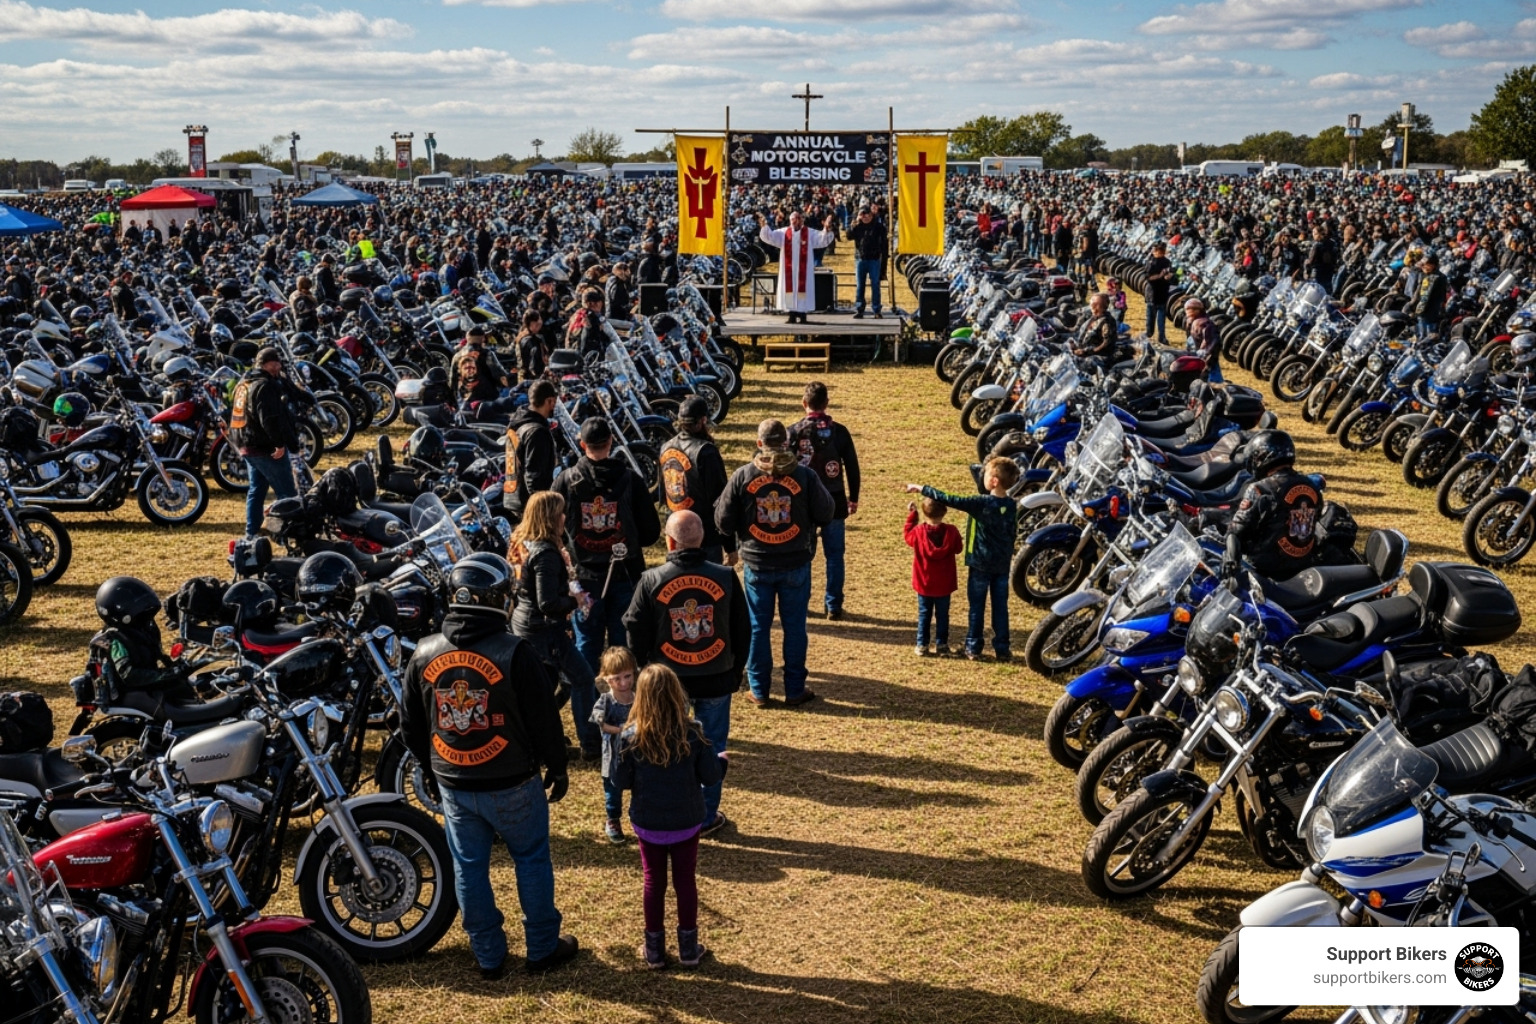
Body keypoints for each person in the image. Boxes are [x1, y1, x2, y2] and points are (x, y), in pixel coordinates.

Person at [399, 553, 578, 978]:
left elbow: (410, 725)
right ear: (500, 599)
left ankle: (488, 956)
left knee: (470, 867)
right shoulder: (516, 652)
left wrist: (432, 766)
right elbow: (544, 720)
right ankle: (541, 948)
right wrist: (558, 766)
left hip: (454, 780)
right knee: (531, 858)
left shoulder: (423, 652)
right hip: (513, 780)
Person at [623, 510, 747, 836]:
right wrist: (736, 670)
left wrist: (642, 673)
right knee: (714, 744)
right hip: (716, 677)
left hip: (666, 683)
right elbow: (743, 629)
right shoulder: (724, 576)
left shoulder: (651, 579)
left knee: (663, 742)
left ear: (670, 540)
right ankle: (704, 816)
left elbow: (634, 628)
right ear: (702, 538)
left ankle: (673, 811)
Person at [612, 664, 726, 970]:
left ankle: (654, 951)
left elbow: (619, 781)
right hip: (687, 821)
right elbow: (711, 776)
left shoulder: (629, 737)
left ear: (641, 697)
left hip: (648, 823)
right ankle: (689, 949)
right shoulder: (693, 733)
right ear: (677, 695)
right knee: (685, 882)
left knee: (654, 883)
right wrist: (720, 762)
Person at [715, 419, 834, 707]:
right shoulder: (804, 476)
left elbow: (722, 520)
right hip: (795, 562)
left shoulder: (743, 476)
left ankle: (759, 689)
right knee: (794, 627)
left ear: (759, 444)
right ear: (787, 443)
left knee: (758, 627)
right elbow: (827, 512)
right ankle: (794, 689)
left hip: (757, 564)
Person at [551, 417, 661, 673]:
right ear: (610, 442)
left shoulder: (565, 482)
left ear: (581, 443)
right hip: (624, 574)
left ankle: (587, 704)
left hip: (583, 579)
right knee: (624, 646)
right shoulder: (631, 480)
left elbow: (548, 528)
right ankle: (625, 702)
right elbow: (650, 532)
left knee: (586, 645)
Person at [510, 491, 602, 759]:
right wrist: (575, 601)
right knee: (582, 678)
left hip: (525, 623)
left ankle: (540, 734)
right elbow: (548, 603)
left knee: (550, 685)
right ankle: (591, 745)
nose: (565, 517)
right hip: (544, 630)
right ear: (550, 517)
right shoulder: (546, 554)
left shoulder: (521, 540)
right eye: (560, 512)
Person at [905, 455, 1020, 661]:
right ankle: (1002, 649)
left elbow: (950, 499)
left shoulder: (980, 503)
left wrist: (922, 488)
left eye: (986, 474)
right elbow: (1013, 533)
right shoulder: (1012, 506)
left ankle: (973, 647)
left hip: (980, 564)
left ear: (994, 481)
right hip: (1001, 565)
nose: (982, 477)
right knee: (1000, 608)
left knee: (977, 608)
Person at [789, 381, 861, 620]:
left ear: (804, 404)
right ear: (827, 403)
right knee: (835, 555)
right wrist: (854, 498)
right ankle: (833, 604)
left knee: (802, 554)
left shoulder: (794, 432)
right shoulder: (839, 432)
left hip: (802, 500)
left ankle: (801, 602)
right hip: (834, 498)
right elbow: (852, 466)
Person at [1225, 430, 1320, 581]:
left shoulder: (1260, 489)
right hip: (1302, 568)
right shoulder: (1312, 486)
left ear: (1263, 457)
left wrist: (1231, 563)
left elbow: (1236, 532)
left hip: (1264, 570)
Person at [229, 347, 300, 539]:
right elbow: (268, 419)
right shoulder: (265, 386)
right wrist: (278, 444)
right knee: (287, 494)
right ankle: (289, 535)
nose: (279, 367)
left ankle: (251, 534)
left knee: (257, 490)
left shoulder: (245, 381)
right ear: (268, 364)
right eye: (276, 363)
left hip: (245, 444)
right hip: (263, 447)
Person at [658, 396, 729, 562]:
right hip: (704, 536)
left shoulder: (665, 448)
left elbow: (665, 495)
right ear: (703, 420)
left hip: (675, 532)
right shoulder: (706, 452)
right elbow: (720, 501)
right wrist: (729, 543)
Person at [904, 496, 962, 657]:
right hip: (944, 584)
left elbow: (908, 536)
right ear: (944, 511)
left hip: (924, 583)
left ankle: (922, 644)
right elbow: (958, 548)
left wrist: (912, 516)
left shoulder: (918, 533)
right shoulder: (951, 531)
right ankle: (941, 644)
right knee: (943, 615)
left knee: (924, 614)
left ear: (924, 512)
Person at [591, 646, 638, 845]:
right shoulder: (606, 700)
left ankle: (638, 818)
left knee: (640, 784)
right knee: (613, 788)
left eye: (627, 676)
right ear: (606, 679)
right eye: (616, 679)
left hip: (636, 752)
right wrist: (622, 730)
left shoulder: (638, 697)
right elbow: (600, 723)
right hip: (613, 753)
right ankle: (613, 819)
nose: (623, 683)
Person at [757, 210, 837, 324]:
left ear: (802, 220)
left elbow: (822, 240)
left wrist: (827, 229)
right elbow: (770, 236)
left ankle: (803, 315)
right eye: (794, 219)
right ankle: (791, 315)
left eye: (799, 219)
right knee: (789, 289)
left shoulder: (809, 233)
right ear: (790, 221)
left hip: (803, 270)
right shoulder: (784, 233)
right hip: (788, 269)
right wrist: (764, 226)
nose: (797, 222)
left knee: (803, 288)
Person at [504, 379, 558, 524]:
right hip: (528, 506)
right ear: (549, 401)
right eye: (554, 402)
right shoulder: (537, 432)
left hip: (513, 498)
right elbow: (534, 479)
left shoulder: (519, 425)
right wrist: (544, 512)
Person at [451, 325, 512, 406]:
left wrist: (453, 401)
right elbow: (498, 373)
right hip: (487, 397)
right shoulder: (487, 353)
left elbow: (452, 380)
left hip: (467, 399)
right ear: (482, 338)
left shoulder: (457, 356)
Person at [846, 206, 887, 318]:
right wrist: (853, 225)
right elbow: (849, 237)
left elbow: (884, 245)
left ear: (871, 215)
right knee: (860, 285)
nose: (864, 217)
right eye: (862, 214)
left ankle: (876, 310)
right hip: (860, 259)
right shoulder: (857, 226)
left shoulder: (879, 227)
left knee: (875, 285)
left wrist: (884, 265)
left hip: (874, 259)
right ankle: (859, 309)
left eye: (866, 214)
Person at [1072, 292, 1119, 369]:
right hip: (1085, 354)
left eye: (1093, 304)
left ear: (1098, 306)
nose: (1090, 306)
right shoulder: (1094, 317)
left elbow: (1106, 344)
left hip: (1100, 358)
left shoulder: (1107, 322)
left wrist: (1088, 352)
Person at [1184, 296, 1221, 382]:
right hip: (1198, 353)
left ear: (1197, 310)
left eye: (1191, 309)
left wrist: (1205, 354)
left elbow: (1211, 341)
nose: (1188, 312)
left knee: (1213, 377)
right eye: (1187, 309)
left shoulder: (1205, 323)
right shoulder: (1192, 321)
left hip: (1205, 354)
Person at [1144, 241, 1173, 344]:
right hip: (1153, 292)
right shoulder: (1151, 262)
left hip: (1162, 291)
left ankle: (1161, 336)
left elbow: (1170, 273)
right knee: (1151, 317)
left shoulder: (1167, 262)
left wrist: (1168, 276)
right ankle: (1149, 334)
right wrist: (1160, 276)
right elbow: (1148, 277)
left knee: (1160, 318)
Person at [1415, 252, 1448, 340]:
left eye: (1426, 265)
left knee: (1425, 339)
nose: (1423, 266)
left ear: (1433, 265)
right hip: (1425, 312)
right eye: (1423, 264)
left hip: (1430, 314)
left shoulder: (1435, 278)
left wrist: (1416, 310)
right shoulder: (1425, 274)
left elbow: (1425, 298)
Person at [516, 308, 547, 380]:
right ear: (533, 324)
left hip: (521, 375)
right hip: (532, 378)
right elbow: (534, 367)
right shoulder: (533, 343)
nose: (541, 323)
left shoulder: (521, 334)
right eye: (538, 324)